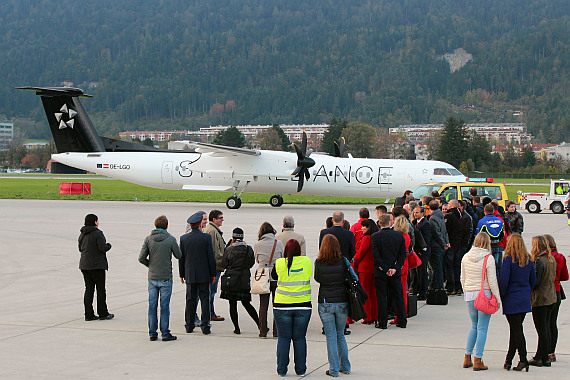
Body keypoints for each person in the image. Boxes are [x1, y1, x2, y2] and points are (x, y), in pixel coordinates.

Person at [460, 232, 501, 371]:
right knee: (483, 328)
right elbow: (493, 281)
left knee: (474, 326)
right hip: (484, 294)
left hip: (470, 294)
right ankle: (478, 359)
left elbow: (462, 277)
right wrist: (498, 299)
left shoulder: (466, 256)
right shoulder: (488, 258)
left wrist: (466, 290)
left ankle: (467, 356)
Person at [271, 239, 312, 377]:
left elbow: (274, 276)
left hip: (282, 306)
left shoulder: (279, 263)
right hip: (303, 305)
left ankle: (281, 370)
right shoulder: (306, 261)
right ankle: (300, 369)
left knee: (284, 339)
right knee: (300, 338)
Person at [138, 215, 182, 341]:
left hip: (152, 276)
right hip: (165, 276)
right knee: (164, 306)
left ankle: (152, 332)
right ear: (166, 226)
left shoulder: (148, 239)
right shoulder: (170, 239)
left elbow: (141, 258)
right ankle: (165, 332)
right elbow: (179, 255)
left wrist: (150, 265)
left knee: (152, 306)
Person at [315, 234, 352, 377]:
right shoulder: (343, 261)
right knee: (340, 335)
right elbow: (353, 277)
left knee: (330, 336)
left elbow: (318, 279)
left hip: (326, 301)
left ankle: (334, 369)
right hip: (342, 300)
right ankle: (345, 366)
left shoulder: (319, 262)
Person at [498, 233, 536, 371]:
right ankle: (508, 360)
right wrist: (526, 290)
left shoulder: (509, 260)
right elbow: (533, 280)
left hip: (511, 298)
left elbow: (504, 281)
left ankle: (523, 359)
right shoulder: (528, 259)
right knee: (515, 329)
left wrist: (500, 296)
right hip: (524, 298)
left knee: (517, 330)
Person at [179, 212, 216, 335]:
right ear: (200, 224)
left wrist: (181, 273)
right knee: (205, 300)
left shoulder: (184, 238)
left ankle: (189, 325)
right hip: (204, 274)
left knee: (190, 299)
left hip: (190, 274)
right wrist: (213, 273)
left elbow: (181, 258)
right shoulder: (206, 238)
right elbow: (210, 257)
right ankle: (205, 326)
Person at [220, 227, 259, 334]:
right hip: (244, 279)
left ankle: (237, 328)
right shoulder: (248, 249)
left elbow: (224, 264)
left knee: (232, 305)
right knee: (247, 303)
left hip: (231, 279)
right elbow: (251, 263)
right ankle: (260, 324)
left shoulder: (229, 249)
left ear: (233, 237)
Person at [372, 213, 407, 329]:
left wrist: (385, 269)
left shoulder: (375, 236)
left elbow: (376, 256)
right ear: (390, 222)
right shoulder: (398, 235)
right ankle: (402, 320)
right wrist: (395, 268)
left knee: (382, 297)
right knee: (398, 296)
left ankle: (382, 322)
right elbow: (402, 255)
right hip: (395, 271)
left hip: (381, 272)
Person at [78, 213, 114, 321]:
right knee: (100, 289)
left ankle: (88, 314)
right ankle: (103, 313)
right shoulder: (98, 233)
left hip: (84, 265)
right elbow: (102, 248)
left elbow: (80, 248)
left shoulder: (82, 234)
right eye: (97, 221)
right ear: (94, 222)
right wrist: (109, 245)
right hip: (97, 265)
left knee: (89, 289)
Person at [529, 235, 557, 367]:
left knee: (541, 329)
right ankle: (542, 355)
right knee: (545, 327)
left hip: (541, 298)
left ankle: (543, 357)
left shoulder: (539, 261)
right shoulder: (551, 259)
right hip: (551, 296)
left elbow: (536, 282)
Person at [254, 222, 284, 338]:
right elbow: (281, 257)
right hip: (276, 275)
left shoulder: (257, 244)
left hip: (263, 276)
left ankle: (262, 330)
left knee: (263, 305)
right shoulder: (279, 243)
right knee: (276, 305)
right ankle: (276, 331)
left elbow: (257, 259)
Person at [543, 234, 568, 363]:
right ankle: (551, 351)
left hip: (546, 291)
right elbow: (565, 276)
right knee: (553, 322)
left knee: (544, 323)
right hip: (557, 290)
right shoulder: (560, 257)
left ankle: (544, 350)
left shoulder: (544, 258)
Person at [353, 219, 378, 324]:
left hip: (364, 268)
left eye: (363, 226)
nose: (362, 228)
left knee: (365, 293)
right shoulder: (374, 237)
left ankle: (367, 316)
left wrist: (353, 261)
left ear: (368, 228)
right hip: (372, 267)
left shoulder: (366, 238)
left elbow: (360, 253)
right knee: (373, 293)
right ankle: (374, 315)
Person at [203, 210, 226, 322]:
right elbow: (213, 251)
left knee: (210, 291)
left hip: (214, 266)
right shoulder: (212, 231)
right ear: (214, 219)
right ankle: (210, 313)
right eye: (220, 218)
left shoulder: (213, 230)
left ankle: (210, 312)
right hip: (214, 267)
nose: (222, 220)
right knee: (211, 292)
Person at [476, 203, 505, 280]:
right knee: (497, 266)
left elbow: (478, 235)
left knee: (489, 267)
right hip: (497, 245)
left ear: (484, 211)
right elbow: (503, 234)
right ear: (493, 211)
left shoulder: (482, 221)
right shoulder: (500, 221)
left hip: (487, 248)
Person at [392, 215, 411, 324]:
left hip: (399, 265)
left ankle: (398, 315)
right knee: (402, 291)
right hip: (405, 264)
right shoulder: (406, 236)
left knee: (399, 292)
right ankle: (401, 314)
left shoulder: (399, 236)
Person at [445, 199, 465, 296]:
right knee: (457, 266)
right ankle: (458, 287)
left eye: (449, 204)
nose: (447, 206)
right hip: (458, 244)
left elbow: (447, 230)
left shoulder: (449, 216)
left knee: (449, 267)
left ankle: (451, 287)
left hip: (451, 244)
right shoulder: (461, 216)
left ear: (452, 206)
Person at [428, 200, 449, 291]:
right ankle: (435, 285)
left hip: (436, 246)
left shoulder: (432, 218)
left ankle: (439, 286)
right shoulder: (441, 216)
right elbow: (444, 231)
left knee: (436, 268)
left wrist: (443, 243)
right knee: (438, 267)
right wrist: (446, 242)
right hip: (441, 246)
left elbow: (437, 233)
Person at [412, 205, 431, 300]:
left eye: (417, 212)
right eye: (414, 212)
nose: (415, 214)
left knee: (422, 272)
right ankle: (417, 289)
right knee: (417, 273)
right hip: (417, 251)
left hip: (422, 252)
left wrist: (422, 250)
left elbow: (426, 239)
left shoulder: (425, 224)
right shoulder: (416, 223)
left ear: (422, 213)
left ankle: (423, 292)